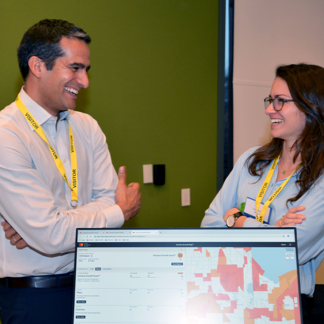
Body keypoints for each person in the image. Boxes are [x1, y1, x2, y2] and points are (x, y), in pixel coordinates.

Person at [0, 19, 141, 324]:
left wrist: (52, 228)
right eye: (75, 68)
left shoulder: (87, 127)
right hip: (36, 301)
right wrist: (118, 212)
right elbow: (52, 234)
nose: (85, 80)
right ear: (37, 66)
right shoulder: (7, 135)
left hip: (96, 285)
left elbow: (52, 231)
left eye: (86, 69)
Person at [201, 64, 324, 321]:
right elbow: (209, 224)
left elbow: (287, 250)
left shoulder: (320, 179)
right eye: (270, 100)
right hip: (227, 295)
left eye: (280, 101)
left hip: (284, 306)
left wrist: (237, 220)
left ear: (310, 106)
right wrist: (272, 231)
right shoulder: (251, 161)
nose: (269, 109)